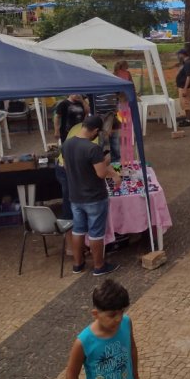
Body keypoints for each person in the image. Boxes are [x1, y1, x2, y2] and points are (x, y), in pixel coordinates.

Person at [63, 115, 121, 276]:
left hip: (75, 196)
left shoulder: (67, 144)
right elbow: (101, 173)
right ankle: (99, 266)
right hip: (94, 197)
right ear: (95, 131)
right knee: (96, 232)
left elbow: (67, 167)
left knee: (78, 230)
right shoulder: (92, 148)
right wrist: (114, 174)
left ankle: (78, 264)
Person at [65, 279, 142, 379]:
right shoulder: (83, 342)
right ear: (95, 314)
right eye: (112, 315)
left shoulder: (126, 323)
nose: (119, 318)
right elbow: (71, 376)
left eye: (121, 312)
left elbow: (132, 349)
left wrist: (135, 378)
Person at [176, 48, 190, 127]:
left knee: (186, 103)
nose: (178, 56)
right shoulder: (185, 63)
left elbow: (189, 77)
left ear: (183, 54)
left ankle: (188, 120)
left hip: (185, 87)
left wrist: (185, 88)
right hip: (183, 86)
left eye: (179, 54)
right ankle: (187, 119)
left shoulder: (188, 63)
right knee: (185, 104)